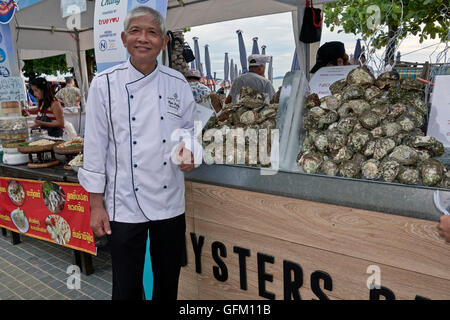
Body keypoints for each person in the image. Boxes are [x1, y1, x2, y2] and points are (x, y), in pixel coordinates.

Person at [78, 6, 202, 300]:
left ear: (163, 41)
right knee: (126, 287)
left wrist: (191, 152)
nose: (143, 38)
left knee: (168, 281)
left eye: (152, 32)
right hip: (123, 204)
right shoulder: (104, 84)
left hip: (169, 200)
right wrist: (96, 206)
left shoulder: (178, 82)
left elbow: (191, 130)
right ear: (123, 38)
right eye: (135, 31)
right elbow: (95, 148)